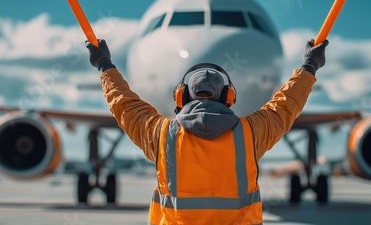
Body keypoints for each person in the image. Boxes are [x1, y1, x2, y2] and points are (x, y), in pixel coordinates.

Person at [86, 38, 328, 224]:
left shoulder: (160, 134)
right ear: (228, 97)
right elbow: (285, 106)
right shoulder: (251, 133)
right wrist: (309, 66)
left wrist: (104, 65)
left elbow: (125, 104)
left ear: (181, 97)